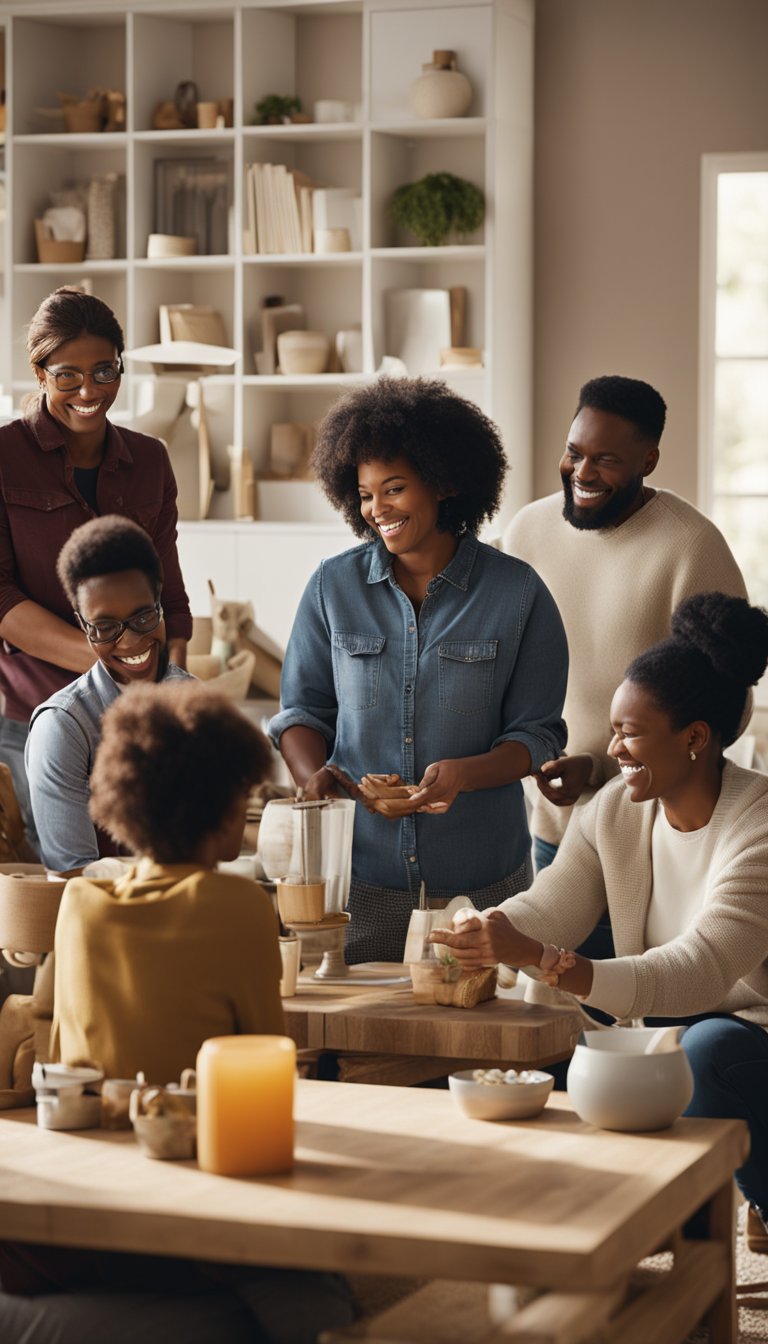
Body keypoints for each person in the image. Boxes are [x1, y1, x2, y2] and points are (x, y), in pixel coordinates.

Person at [0, 681, 355, 1344]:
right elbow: (265, 1069)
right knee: (325, 1289)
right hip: (195, 1190)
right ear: (221, 813)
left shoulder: (80, 903)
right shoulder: (240, 908)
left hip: (88, 1181)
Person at [431, 591, 768, 1252]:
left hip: (748, 1044)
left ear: (695, 738)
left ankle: (724, 1225)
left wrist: (553, 962)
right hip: (666, 1036)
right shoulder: (617, 809)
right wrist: (489, 928)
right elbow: (558, 897)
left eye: (630, 732)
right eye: (613, 728)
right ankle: (604, 1231)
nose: (612, 748)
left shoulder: (759, 825)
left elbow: (700, 972)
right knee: (554, 1047)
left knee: (704, 1051)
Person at [270, 378, 568, 964]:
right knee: (359, 1047)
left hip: (482, 888)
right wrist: (314, 776)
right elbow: (301, 713)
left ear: (446, 481)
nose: (377, 509)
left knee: (477, 1047)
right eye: (364, 494)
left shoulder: (519, 594)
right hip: (360, 886)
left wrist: (465, 774)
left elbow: (537, 736)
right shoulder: (333, 587)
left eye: (395, 488)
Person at [501, 374, 747, 878]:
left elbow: (726, 710)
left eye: (606, 460)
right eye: (575, 452)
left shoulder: (692, 548)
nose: (582, 472)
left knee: (639, 962)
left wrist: (599, 766)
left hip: (653, 841)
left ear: (648, 462)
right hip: (550, 832)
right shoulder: (527, 531)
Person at [0, 287, 192, 845]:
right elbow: (3, 598)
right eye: (68, 376)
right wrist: (111, 661)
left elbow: (171, 601)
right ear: (39, 373)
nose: (89, 391)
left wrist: (167, 691)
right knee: (67, 894)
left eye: (105, 371)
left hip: (138, 727)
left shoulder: (149, 460)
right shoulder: (5, 458)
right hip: (34, 714)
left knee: (147, 884)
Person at [25, 515, 192, 874]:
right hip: (105, 922)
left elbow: (217, 848)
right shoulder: (63, 728)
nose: (131, 641)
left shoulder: (193, 703)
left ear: (160, 601)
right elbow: (76, 877)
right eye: (104, 628)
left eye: (144, 617)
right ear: (82, 626)